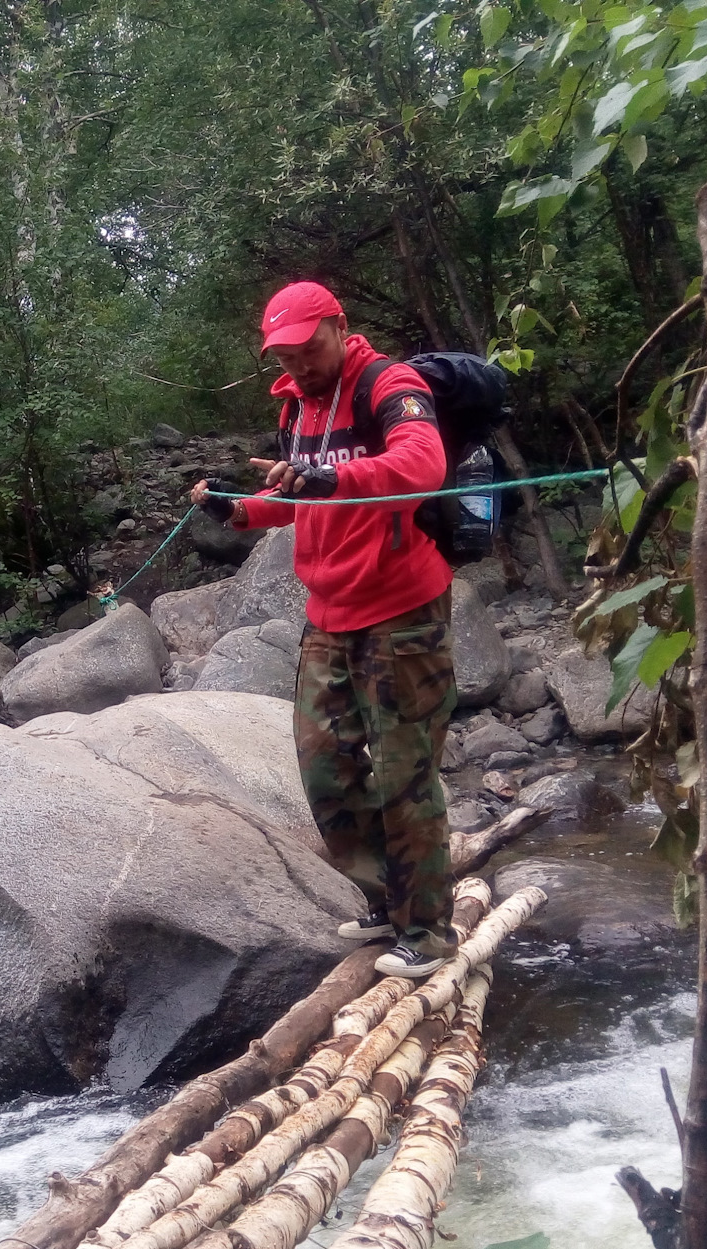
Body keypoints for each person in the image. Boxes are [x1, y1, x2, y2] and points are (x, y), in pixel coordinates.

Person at [189, 281, 457, 979]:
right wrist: (237, 510)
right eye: (285, 353)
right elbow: (294, 500)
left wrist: (332, 480)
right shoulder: (297, 407)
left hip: (402, 610)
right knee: (325, 771)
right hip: (328, 614)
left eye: (309, 348)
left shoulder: (388, 384)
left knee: (405, 773)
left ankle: (428, 934)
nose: (299, 363)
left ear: (339, 327)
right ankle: (387, 904)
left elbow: (424, 465)